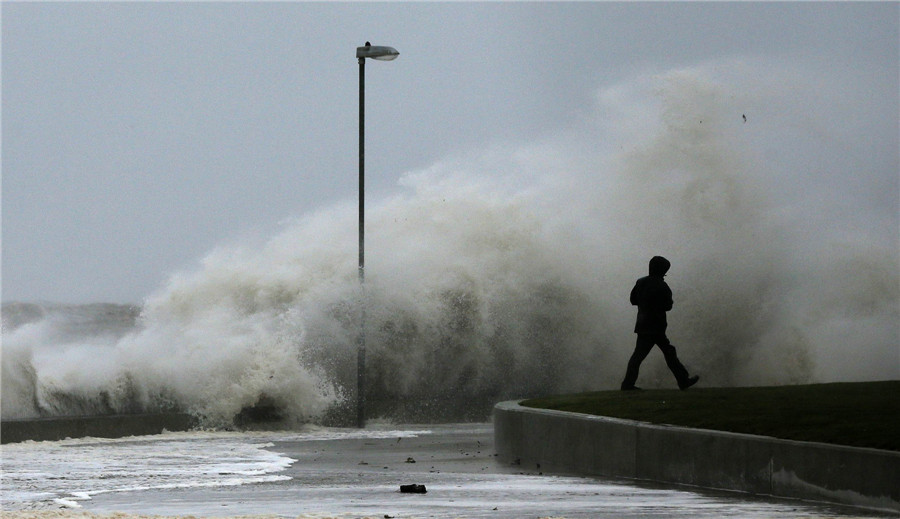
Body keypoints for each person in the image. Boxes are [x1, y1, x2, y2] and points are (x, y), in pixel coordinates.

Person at [621, 256, 699, 391]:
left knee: (639, 356)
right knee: (668, 353)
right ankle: (683, 380)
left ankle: (628, 384)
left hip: (643, 325)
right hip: (656, 326)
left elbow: (633, 300)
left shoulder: (640, 282)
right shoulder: (662, 285)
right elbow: (668, 306)